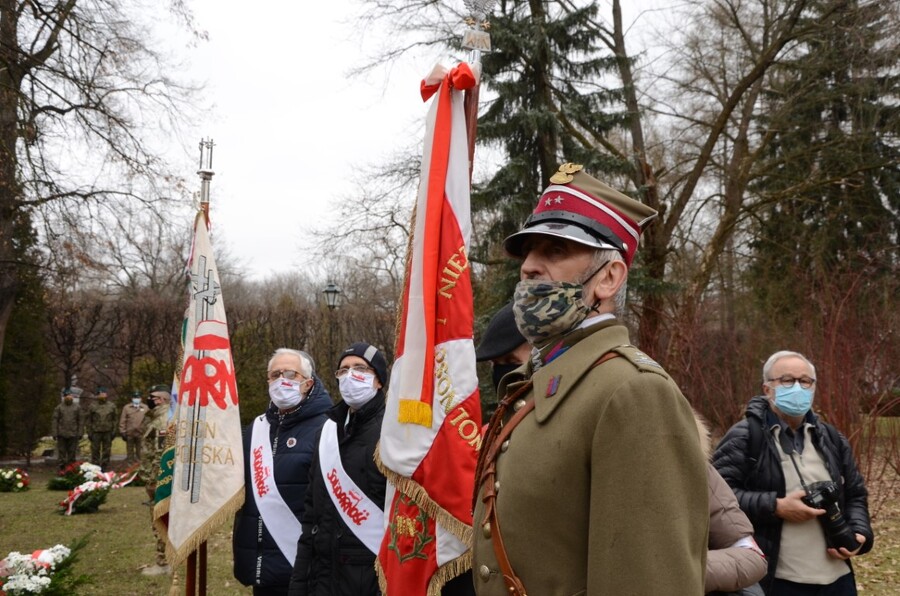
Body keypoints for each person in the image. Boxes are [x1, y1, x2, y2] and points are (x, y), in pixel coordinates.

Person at [472, 163, 708, 595]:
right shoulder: (534, 383)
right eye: (529, 252)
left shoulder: (633, 392)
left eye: (555, 251)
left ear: (609, 278)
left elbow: (646, 583)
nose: (529, 267)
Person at [477, 300, 767, 595]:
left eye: (513, 361)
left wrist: (672, 571)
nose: (509, 374)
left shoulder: (655, 430)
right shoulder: (502, 439)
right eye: (497, 367)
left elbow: (749, 553)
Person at [713, 350, 874, 595]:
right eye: (787, 380)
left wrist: (860, 533)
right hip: (776, 579)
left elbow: (855, 494)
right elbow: (717, 501)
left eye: (805, 381)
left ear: (813, 387)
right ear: (767, 388)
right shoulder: (744, 437)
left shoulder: (831, 438)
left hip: (838, 579)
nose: (797, 387)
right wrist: (775, 506)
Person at [288, 342, 388, 596]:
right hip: (323, 577)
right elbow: (311, 513)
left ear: (378, 380)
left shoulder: (392, 431)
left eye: (360, 368)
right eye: (343, 370)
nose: (350, 375)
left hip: (370, 578)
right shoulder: (327, 431)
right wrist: (299, 583)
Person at [233, 348, 331, 595]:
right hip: (261, 566)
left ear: (308, 383)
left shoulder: (328, 428)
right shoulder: (255, 429)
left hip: (306, 568)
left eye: (290, 374)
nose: (281, 381)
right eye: (275, 375)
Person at [140, 385, 172, 576]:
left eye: (152, 397)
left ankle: (164, 562)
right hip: (159, 479)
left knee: (160, 517)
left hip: (160, 480)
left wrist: (153, 481)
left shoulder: (163, 420)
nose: (149, 400)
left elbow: (160, 455)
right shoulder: (159, 417)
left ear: (161, 399)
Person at [51, 389, 84, 470]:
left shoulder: (77, 407)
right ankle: (62, 469)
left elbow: (81, 421)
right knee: (61, 453)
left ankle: (71, 469)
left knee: (72, 452)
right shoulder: (59, 407)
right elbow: (55, 420)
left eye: (69, 395)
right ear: (64, 397)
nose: (68, 397)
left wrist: (80, 432)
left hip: (73, 433)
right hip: (61, 434)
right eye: (66, 395)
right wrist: (54, 433)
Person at [86, 387, 117, 470]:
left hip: (108, 431)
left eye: (104, 393)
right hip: (96, 432)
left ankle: (104, 467)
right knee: (95, 450)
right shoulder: (92, 406)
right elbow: (89, 420)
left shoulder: (112, 406)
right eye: (100, 394)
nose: (102, 395)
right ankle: (95, 467)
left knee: (107, 450)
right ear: (97, 395)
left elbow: (115, 419)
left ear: (106, 394)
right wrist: (89, 432)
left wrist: (114, 431)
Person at [119, 390, 148, 465]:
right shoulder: (127, 408)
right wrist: (122, 431)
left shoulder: (145, 407)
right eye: (135, 397)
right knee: (130, 453)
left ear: (141, 398)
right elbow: (123, 420)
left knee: (140, 452)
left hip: (141, 433)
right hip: (130, 433)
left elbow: (148, 420)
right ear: (132, 398)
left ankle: (140, 467)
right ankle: (130, 467)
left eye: (138, 397)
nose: (136, 399)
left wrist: (146, 431)